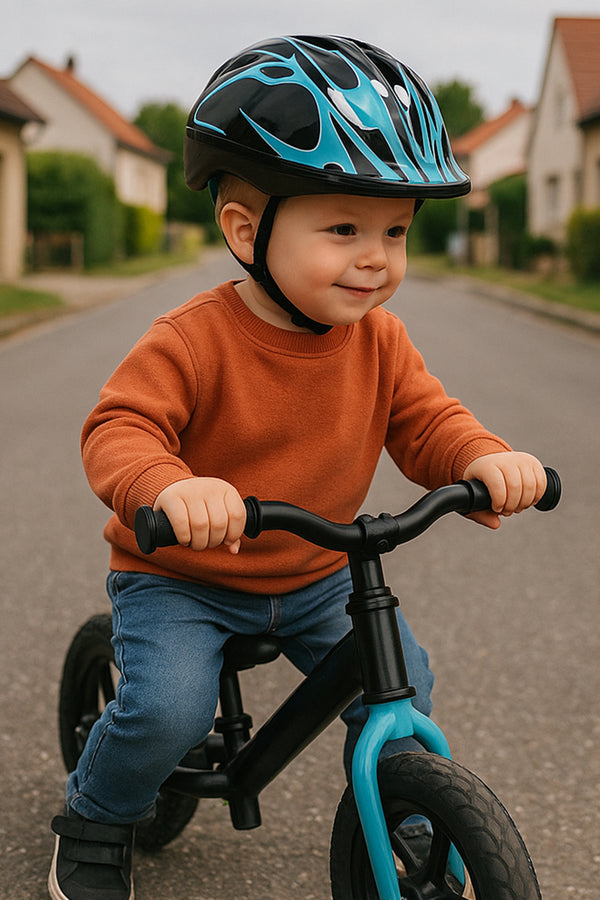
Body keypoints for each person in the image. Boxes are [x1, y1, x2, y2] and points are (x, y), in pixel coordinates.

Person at [49, 35, 547, 900]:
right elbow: (119, 429)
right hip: (185, 575)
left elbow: (426, 419)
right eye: (344, 228)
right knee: (165, 709)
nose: (376, 258)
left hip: (318, 574)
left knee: (405, 684)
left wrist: (482, 458)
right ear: (247, 230)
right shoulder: (192, 340)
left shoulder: (378, 340)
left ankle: (410, 813)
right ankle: (96, 818)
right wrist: (169, 486)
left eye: (394, 231)